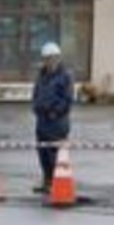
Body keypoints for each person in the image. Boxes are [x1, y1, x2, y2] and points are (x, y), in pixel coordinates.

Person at [31, 41, 74, 194]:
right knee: (42, 152)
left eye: (52, 58)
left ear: (58, 58)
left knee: (54, 154)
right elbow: (36, 93)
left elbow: (67, 99)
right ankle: (47, 181)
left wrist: (56, 112)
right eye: (47, 58)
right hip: (42, 120)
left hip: (57, 122)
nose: (49, 62)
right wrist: (36, 107)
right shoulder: (41, 75)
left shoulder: (65, 76)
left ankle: (58, 182)